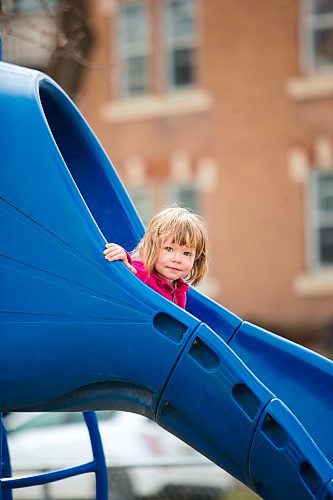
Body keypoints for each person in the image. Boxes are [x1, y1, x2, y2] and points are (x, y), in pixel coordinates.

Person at [103, 206, 208, 309]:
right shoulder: (143, 274)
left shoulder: (180, 291)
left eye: (186, 253)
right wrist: (123, 258)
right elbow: (130, 270)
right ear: (152, 248)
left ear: (196, 259)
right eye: (169, 249)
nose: (177, 259)